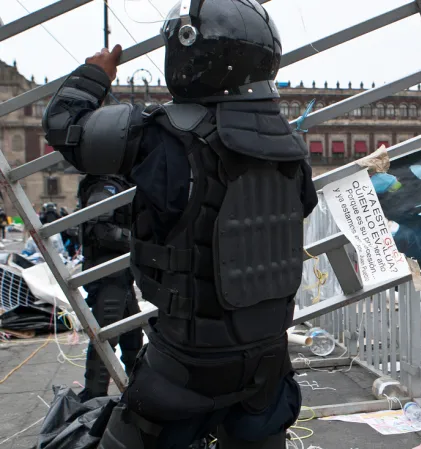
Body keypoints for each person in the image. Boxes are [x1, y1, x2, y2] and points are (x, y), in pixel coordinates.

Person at [42, 0, 317, 447]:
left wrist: (96, 73)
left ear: (189, 53)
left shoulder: (161, 135)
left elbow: (63, 125)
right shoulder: (290, 146)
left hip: (186, 369)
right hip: (266, 362)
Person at [77, 174, 143, 402]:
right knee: (106, 340)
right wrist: (138, 241)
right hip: (107, 274)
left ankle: (139, 391)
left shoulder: (118, 183)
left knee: (132, 337)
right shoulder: (105, 186)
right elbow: (100, 230)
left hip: (120, 275)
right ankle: (93, 398)